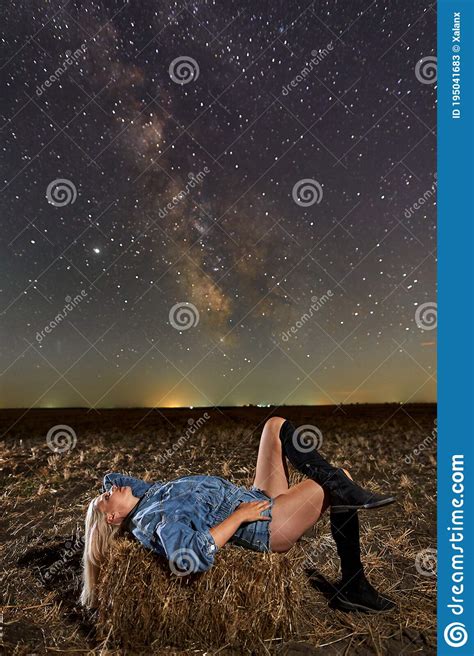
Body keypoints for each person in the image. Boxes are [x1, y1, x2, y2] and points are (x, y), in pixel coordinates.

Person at [80, 417, 396, 613]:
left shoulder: (148, 497)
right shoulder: (153, 519)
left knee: (275, 425)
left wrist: (110, 494)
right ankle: (354, 587)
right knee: (340, 478)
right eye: (106, 498)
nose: (111, 489)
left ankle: (344, 488)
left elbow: (115, 477)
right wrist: (239, 517)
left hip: (254, 496)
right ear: (112, 518)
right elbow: (190, 555)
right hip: (266, 522)